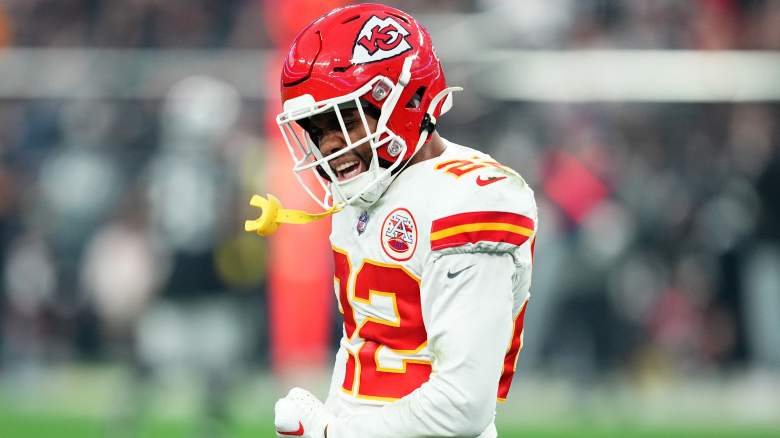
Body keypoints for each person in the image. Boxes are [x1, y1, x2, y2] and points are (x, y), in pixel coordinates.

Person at [267, 3, 537, 437]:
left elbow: (461, 405)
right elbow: (364, 344)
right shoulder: (365, 189)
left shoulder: (468, 199)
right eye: (316, 130)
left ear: (408, 98)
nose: (328, 146)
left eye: (346, 120)